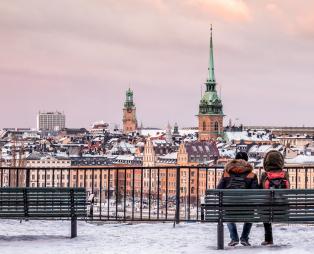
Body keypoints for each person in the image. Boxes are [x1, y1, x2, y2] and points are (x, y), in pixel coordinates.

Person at [217, 152, 258, 247]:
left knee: (226, 213)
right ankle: (244, 238)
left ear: (234, 160)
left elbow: (219, 189)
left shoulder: (226, 173)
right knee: (251, 214)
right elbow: (255, 192)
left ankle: (234, 238)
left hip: (230, 207)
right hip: (247, 208)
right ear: (247, 161)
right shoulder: (252, 175)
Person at [260, 150, 290, 246]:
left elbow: (260, 190)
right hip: (283, 207)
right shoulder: (285, 174)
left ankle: (268, 239)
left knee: (265, 211)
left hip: (268, 208)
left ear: (266, 162)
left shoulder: (264, 175)